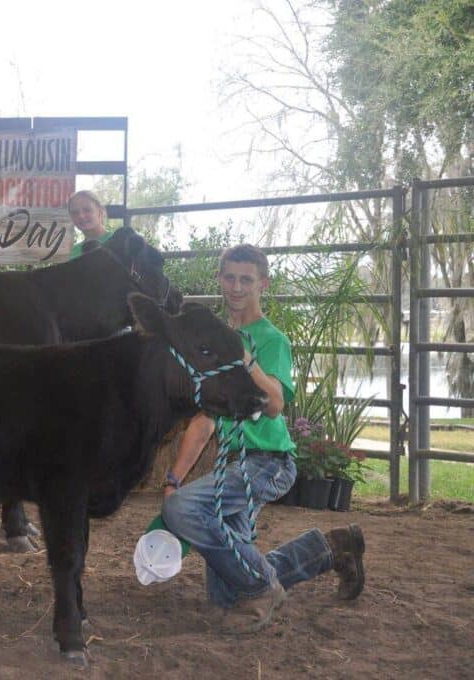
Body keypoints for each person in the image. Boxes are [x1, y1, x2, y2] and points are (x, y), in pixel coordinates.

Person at [160, 244, 365, 634]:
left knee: (182, 512)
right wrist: (174, 478)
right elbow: (205, 421)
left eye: (246, 279)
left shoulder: (272, 340)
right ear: (219, 279)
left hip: (267, 461)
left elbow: (274, 405)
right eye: (230, 277)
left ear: (263, 284)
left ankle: (261, 588)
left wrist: (246, 359)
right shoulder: (214, 340)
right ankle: (331, 549)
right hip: (236, 464)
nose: (236, 287)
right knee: (226, 589)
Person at [67, 190, 114, 259]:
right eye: (75, 213)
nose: (81, 216)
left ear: (100, 212)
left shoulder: (117, 241)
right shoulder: (75, 252)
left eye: (87, 210)